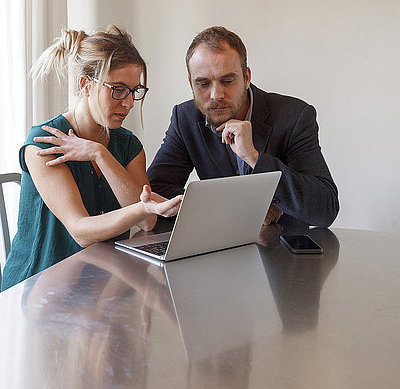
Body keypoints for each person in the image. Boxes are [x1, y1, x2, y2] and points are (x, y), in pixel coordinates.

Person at [1, 26, 182, 292]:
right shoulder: (44, 142)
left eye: (135, 90)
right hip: (36, 289)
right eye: (118, 89)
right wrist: (144, 207)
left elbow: (146, 222)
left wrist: (99, 152)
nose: (129, 102)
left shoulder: (128, 145)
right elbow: (80, 230)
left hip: (99, 289)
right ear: (86, 85)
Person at [147, 26, 339, 228]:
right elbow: (157, 192)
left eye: (227, 81)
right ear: (191, 84)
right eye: (203, 84)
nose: (216, 95)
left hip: (281, 249)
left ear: (247, 77)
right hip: (217, 248)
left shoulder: (294, 116)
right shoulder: (184, 118)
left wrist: (255, 158)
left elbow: (326, 209)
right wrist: (240, 207)